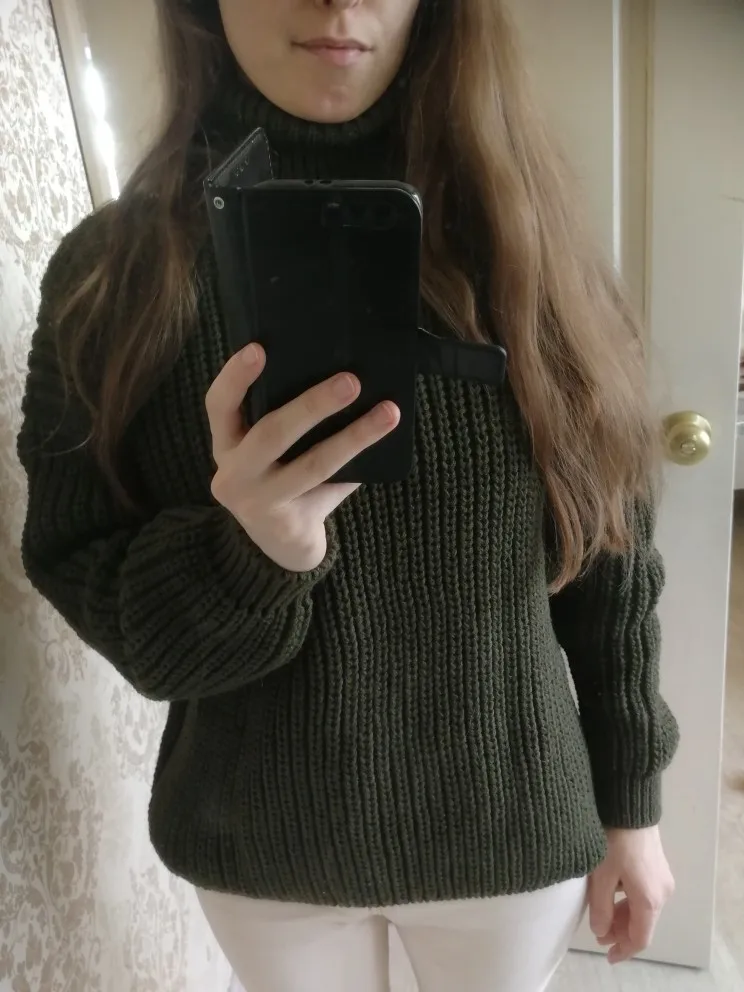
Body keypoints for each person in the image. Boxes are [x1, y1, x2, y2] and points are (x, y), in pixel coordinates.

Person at [17, 1, 680, 990]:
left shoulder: (539, 252)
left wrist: (634, 803)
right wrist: (247, 554)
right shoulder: (109, 279)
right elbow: (95, 586)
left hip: (508, 831)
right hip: (260, 847)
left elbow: (614, 557)